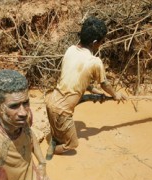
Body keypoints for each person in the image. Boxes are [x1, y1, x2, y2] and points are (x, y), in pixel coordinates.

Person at [45, 16, 127, 160]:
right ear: (95, 43)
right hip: (62, 111)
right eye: (102, 42)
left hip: (51, 101)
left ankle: (55, 139)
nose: (101, 44)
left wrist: (94, 92)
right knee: (72, 145)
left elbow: (77, 81)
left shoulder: (70, 50)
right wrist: (115, 95)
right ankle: (49, 152)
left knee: (58, 130)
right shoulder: (94, 62)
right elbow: (105, 84)